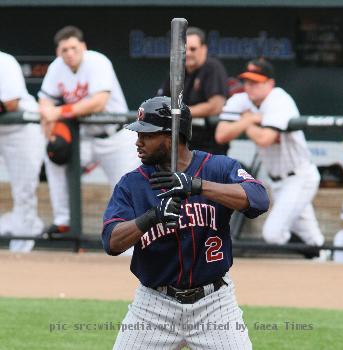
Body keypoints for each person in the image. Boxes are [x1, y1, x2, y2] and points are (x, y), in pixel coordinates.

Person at [102, 96, 269, 349]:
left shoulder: (218, 168)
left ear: (171, 137)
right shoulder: (131, 184)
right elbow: (111, 242)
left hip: (214, 304)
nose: (138, 142)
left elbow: (258, 199)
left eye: (147, 135)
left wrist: (198, 186)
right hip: (153, 305)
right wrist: (151, 216)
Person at [38, 25, 139, 238]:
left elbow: (98, 103)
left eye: (74, 48)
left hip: (115, 138)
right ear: (58, 52)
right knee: (53, 158)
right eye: (64, 50)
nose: (69, 53)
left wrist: (57, 112)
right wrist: (49, 125)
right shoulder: (57, 67)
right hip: (84, 138)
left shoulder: (97, 61)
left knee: (125, 189)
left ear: (83, 46)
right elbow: (44, 100)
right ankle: (63, 221)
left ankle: (128, 241)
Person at [215, 57, 325, 251]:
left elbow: (265, 138)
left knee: (273, 234)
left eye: (256, 82)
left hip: (299, 177)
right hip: (276, 181)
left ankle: (311, 256)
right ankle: (320, 257)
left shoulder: (279, 99)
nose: (249, 86)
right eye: (247, 81)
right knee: (312, 237)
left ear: (270, 83)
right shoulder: (240, 100)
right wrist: (250, 120)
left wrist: (245, 122)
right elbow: (221, 134)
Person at [157, 26, 229, 155]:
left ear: (204, 49)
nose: (188, 53)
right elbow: (161, 102)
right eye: (184, 49)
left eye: (193, 49)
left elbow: (216, 106)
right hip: (181, 143)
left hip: (209, 147)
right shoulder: (177, 71)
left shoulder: (212, 67)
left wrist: (178, 112)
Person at [0, 51, 45, 252]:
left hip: (22, 129)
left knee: (23, 191)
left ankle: (22, 249)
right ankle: (21, 225)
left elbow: (10, 104)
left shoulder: (5, 62)